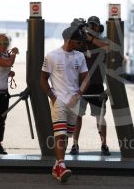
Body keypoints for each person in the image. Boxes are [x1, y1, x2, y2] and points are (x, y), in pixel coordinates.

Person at [41, 26, 89, 183]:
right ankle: (61, 165)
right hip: (59, 100)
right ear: (69, 40)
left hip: (74, 101)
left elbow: (86, 78)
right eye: (78, 41)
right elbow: (42, 78)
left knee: (67, 135)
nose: (81, 44)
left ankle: (57, 166)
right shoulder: (52, 56)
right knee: (60, 134)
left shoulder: (80, 56)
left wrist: (79, 94)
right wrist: (52, 97)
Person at [70, 16, 111, 156]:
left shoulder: (102, 41)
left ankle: (104, 144)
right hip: (80, 85)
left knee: (100, 117)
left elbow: (109, 48)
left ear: (99, 28)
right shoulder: (81, 42)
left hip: (97, 84)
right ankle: (75, 144)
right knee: (77, 116)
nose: (92, 29)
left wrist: (91, 39)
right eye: (90, 26)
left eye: (94, 26)